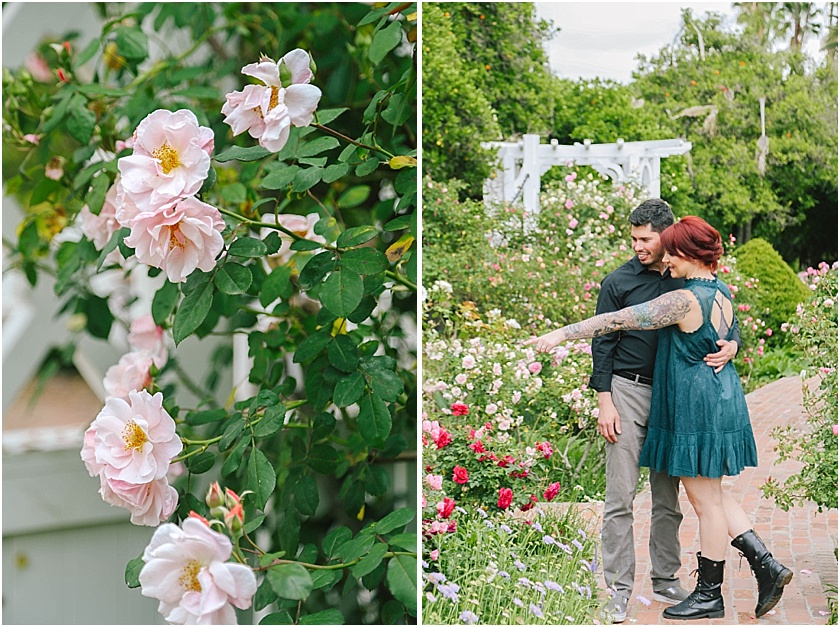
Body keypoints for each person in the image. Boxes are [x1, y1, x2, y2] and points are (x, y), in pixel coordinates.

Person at [526, 216, 792, 621]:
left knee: (705, 503)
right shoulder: (719, 290)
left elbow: (619, 319)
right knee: (714, 495)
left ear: (689, 254)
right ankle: (766, 566)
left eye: (672, 251)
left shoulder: (683, 299)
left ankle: (709, 595)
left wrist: (561, 334)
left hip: (695, 406)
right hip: (718, 400)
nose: (666, 258)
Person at [583, 199, 740, 623]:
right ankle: (618, 589)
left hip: (675, 399)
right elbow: (602, 342)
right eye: (633, 239)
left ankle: (666, 577)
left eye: (647, 239)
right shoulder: (617, 282)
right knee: (620, 496)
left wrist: (733, 344)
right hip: (627, 392)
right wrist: (604, 401)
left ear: (668, 239)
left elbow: (720, 317)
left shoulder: (684, 278)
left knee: (668, 499)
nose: (639, 247)